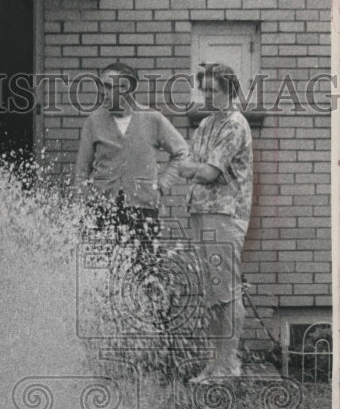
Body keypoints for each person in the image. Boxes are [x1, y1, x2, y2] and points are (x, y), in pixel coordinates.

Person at [179, 63, 253, 380]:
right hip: (201, 210)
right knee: (212, 291)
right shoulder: (208, 123)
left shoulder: (235, 125)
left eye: (214, 90)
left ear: (230, 91)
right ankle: (215, 361)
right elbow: (189, 163)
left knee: (227, 290)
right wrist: (193, 168)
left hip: (225, 214)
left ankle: (229, 363)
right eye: (204, 89)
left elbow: (207, 172)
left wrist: (192, 169)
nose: (207, 95)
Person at [74, 62, 188, 222]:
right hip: (101, 210)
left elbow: (182, 152)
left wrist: (161, 186)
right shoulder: (93, 122)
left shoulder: (152, 119)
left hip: (143, 210)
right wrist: (84, 199)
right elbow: (82, 170)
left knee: (142, 248)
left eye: (107, 86)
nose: (101, 92)